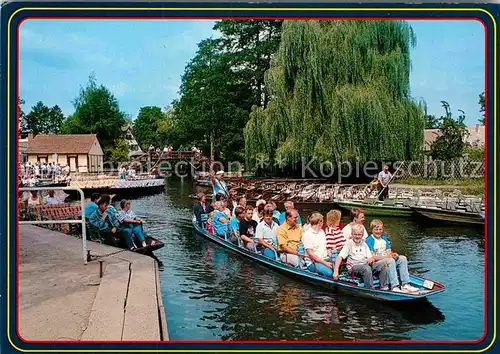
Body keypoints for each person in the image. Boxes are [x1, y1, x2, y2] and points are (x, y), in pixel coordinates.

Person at [365, 219, 419, 293]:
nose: (378, 231)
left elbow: (389, 252)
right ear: (372, 230)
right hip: (376, 264)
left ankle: (405, 284)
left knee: (402, 258)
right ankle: (394, 286)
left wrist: (393, 255)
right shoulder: (369, 240)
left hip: (387, 261)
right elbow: (373, 257)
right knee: (390, 260)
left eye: (380, 229)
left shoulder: (384, 239)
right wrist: (388, 257)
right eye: (376, 229)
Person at [333, 224, 390, 289]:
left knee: (383, 265)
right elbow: (340, 257)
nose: (357, 236)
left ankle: (384, 287)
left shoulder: (364, 244)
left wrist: (370, 259)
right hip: (353, 268)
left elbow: (369, 257)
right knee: (366, 268)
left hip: (365, 266)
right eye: (355, 234)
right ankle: (370, 289)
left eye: (359, 234)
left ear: (362, 235)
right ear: (352, 234)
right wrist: (336, 271)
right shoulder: (349, 244)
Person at [302, 212, 333, 277]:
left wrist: (330, 256)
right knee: (329, 273)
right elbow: (311, 254)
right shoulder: (307, 235)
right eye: (322, 221)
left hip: (324, 258)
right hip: (313, 263)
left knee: (339, 267)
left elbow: (326, 247)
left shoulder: (322, 232)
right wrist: (325, 263)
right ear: (319, 222)